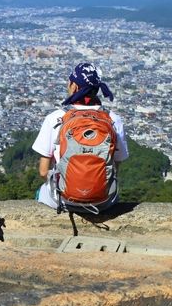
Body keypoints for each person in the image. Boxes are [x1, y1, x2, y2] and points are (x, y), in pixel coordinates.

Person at [32, 61, 128, 211]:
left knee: (40, 192)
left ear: (74, 86)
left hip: (63, 199)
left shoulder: (56, 118)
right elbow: (116, 165)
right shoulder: (113, 119)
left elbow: (43, 171)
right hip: (103, 201)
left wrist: (71, 185)